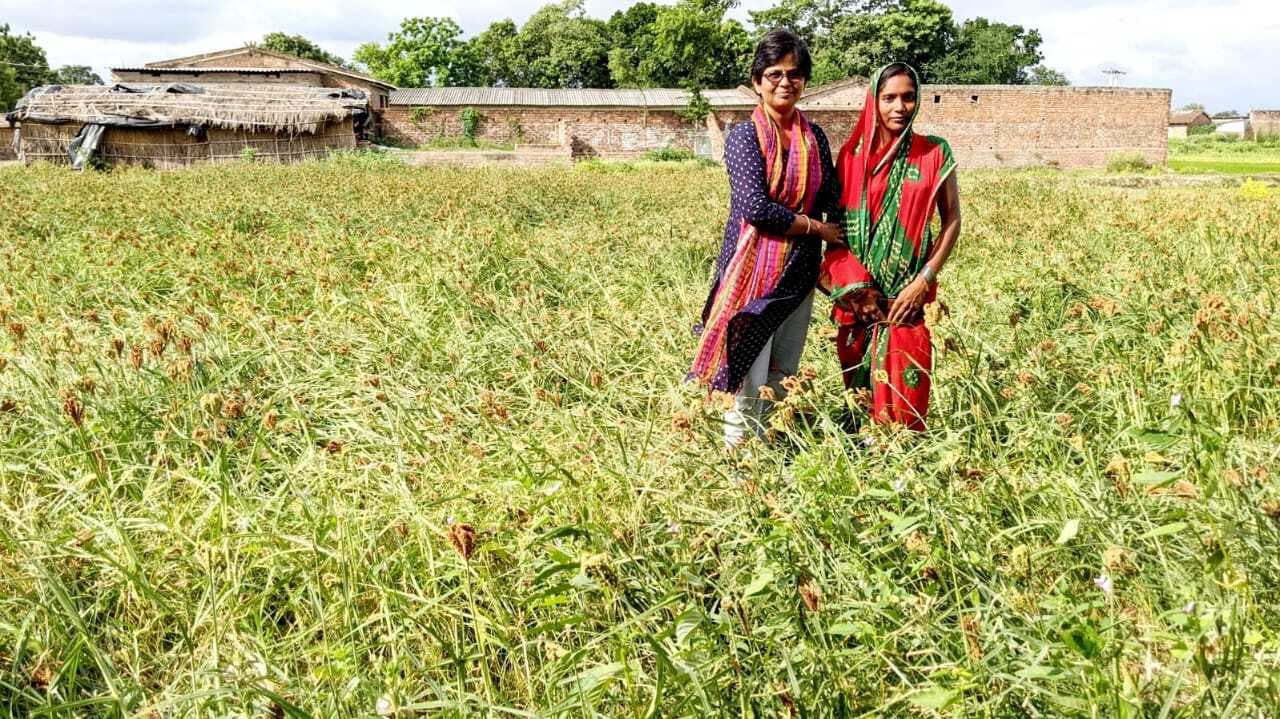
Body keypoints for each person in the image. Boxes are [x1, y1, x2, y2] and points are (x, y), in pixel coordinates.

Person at [687, 29, 843, 448]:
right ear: (757, 81)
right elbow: (757, 209)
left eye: (794, 74)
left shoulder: (815, 137)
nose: (785, 82)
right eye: (774, 74)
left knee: (783, 369)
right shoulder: (744, 137)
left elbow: (831, 194)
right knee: (747, 373)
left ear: (805, 81)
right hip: (753, 272)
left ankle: (768, 449)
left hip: (800, 273)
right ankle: (738, 462)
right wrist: (816, 228)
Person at [820, 62, 962, 431]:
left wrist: (923, 281)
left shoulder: (934, 153)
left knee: (907, 392)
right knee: (860, 398)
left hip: (907, 299)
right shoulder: (851, 158)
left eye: (908, 97)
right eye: (889, 98)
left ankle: (905, 465)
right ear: (873, 101)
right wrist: (858, 290)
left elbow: (952, 222)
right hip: (861, 301)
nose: (900, 107)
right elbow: (837, 232)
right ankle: (862, 458)